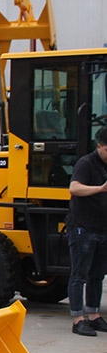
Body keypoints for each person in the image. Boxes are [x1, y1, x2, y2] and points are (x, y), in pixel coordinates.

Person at [67, 126, 107, 336]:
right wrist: (100, 189)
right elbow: (74, 188)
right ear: (99, 146)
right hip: (83, 227)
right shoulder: (86, 163)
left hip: (102, 229)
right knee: (79, 274)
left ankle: (93, 315)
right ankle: (77, 319)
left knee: (97, 275)